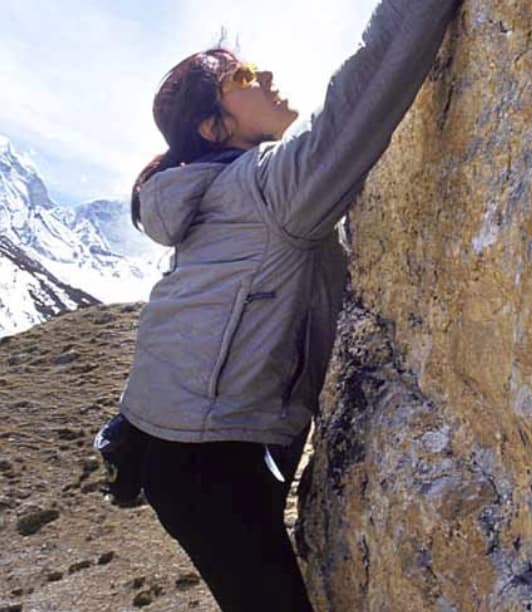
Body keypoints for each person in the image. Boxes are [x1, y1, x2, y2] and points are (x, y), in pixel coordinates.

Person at [104, 0, 462, 610]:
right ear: (214, 128)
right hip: (209, 465)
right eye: (240, 79)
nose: (263, 76)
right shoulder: (265, 190)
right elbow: (368, 88)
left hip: (184, 451)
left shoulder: (215, 199)